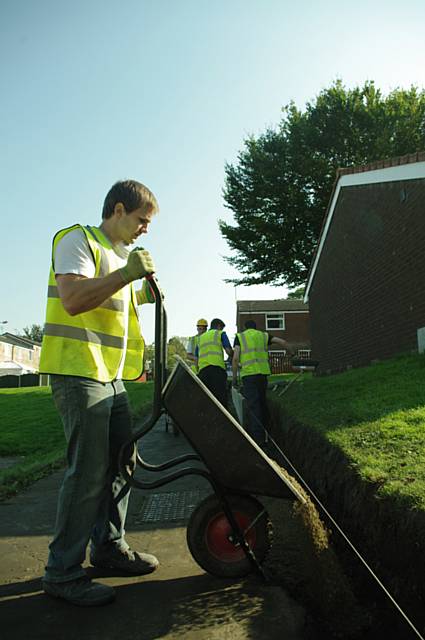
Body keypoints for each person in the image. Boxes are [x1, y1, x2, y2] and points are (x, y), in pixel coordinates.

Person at [39, 179, 160, 607]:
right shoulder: (78, 241)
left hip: (110, 376)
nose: (145, 229)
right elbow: (73, 300)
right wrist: (128, 274)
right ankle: (61, 572)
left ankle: (108, 547)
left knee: (121, 462)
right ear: (119, 209)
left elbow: (120, 303)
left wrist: (143, 287)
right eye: (142, 221)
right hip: (77, 372)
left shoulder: (119, 256)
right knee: (87, 472)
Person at [232, 319, 293, 445]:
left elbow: (235, 358)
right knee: (262, 403)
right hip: (262, 375)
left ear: (245, 327)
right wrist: (292, 353)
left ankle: (258, 440)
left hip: (249, 376)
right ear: (255, 327)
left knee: (254, 406)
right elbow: (283, 342)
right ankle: (268, 433)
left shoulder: (240, 337)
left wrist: (234, 378)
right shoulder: (263, 335)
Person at [196, 318, 233, 408]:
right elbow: (228, 351)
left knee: (206, 400)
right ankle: (223, 421)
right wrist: (234, 355)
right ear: (219, 326)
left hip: (203, 372)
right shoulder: (220, 333)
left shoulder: (200, 338)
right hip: (217, 371)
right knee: (221, 400)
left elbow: (197, 357)